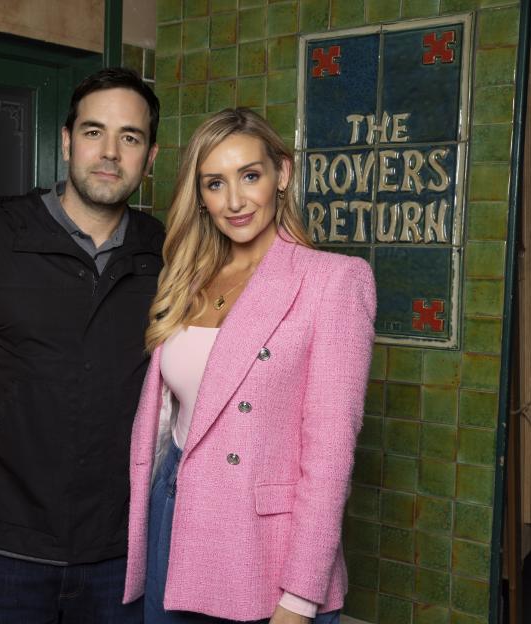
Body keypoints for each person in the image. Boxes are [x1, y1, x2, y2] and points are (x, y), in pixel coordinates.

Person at [123, 108, 376, 623]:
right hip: (174, 511)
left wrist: (301, 596)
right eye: (215, 183)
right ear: (201, 195)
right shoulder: (187, 277)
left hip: (263, 545)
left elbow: (329, 458)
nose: (235, 201)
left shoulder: (334, 281)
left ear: (282, 174)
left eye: (250, 176)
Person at [0, 67, 162, 622]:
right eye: (93, 132)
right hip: (2, 551)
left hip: (120, 555)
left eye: (129, 138)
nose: (109, 152)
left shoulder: (172, 253)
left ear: (151, 156)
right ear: (65, 141)